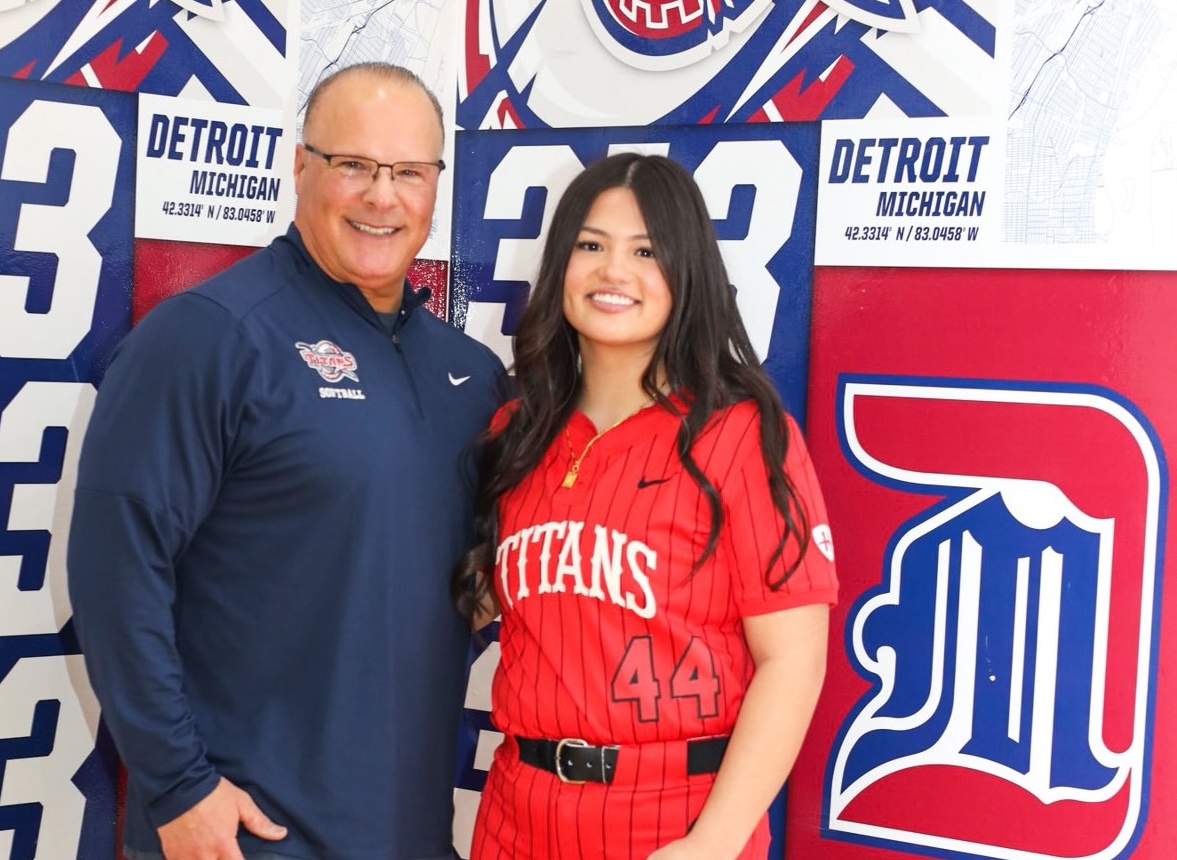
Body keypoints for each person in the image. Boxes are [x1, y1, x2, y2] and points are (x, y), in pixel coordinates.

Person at [68, 62, 506, 860]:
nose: (383, 196)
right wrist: (178, 787)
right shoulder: (206, 336)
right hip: (248, 836)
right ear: (300, 165)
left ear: (436, 185)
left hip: (408, 833)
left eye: (408, 172)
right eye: (354, 165)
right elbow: (115, 571)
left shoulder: (470, 377)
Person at [453, 153, 838, 860]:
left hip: (673, 819)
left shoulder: (743, 434)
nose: (612, 271)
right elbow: (468, 606)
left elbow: (792, 661)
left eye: (645, 251)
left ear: (685, 273)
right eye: (590, 246)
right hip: (518, 810)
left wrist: (713, 843)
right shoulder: (517, 435)